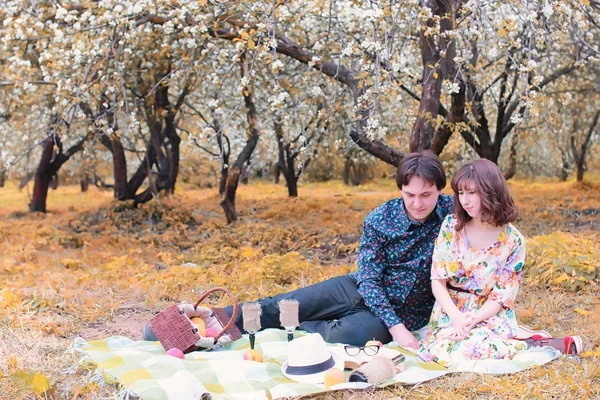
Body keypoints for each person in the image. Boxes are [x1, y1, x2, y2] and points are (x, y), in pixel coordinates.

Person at [143, 151, 452, 347]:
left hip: (400, 311)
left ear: (440, 189)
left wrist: (397, 326)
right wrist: (398, 331)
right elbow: (369, 280)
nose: (417, 203)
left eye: (426, 194)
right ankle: (208, 319)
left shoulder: (454, 215)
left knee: (347, 336)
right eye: (410, 194)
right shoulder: (380, 218)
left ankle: (293, 331)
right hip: (358, 287)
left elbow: (490, 209)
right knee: (281, 304)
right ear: (400, 189)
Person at [417, 159, 582, 367]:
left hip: (489, 310)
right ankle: (527, 341)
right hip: (451, 308)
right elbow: (437, 281)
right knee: (442, 352)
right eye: (461, 193)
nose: (465, 200)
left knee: (471, 349)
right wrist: (457, 317)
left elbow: (502, 295)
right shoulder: (451, 227)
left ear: (490, 192)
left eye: (472, 193)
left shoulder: (513, 240)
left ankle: (534, 344)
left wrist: (474, 320)